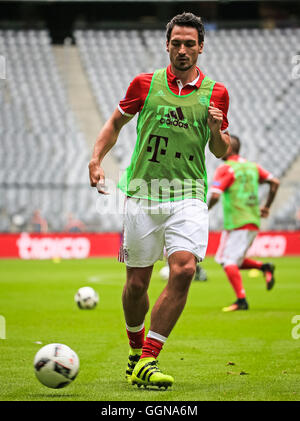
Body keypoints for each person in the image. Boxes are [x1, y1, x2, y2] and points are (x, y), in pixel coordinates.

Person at [88, 12, 230, 389]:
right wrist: (96, 158)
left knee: (183, 269)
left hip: (188, 195)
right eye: (176, 43)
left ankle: (149, 358)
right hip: (143, 194)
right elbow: (115, 123)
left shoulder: (216, 92)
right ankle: (135, 352)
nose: (183, 50)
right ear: (167, 45)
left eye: (190, 44)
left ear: (201, 47)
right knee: (136, 285)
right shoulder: (144, 84)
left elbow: (220, 150)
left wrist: (217, 130)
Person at [208, 135, 280, 312]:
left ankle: (241, 300)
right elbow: (275, 182)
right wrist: (267, 206)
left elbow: (216, 195)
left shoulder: (226, 168)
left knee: (228, 260)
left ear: (229, 148)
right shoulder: (252, 167)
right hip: (253, 220)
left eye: (221, 144)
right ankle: (264, 267)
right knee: (230, 259)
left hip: (237, 222)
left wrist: (204, 211)